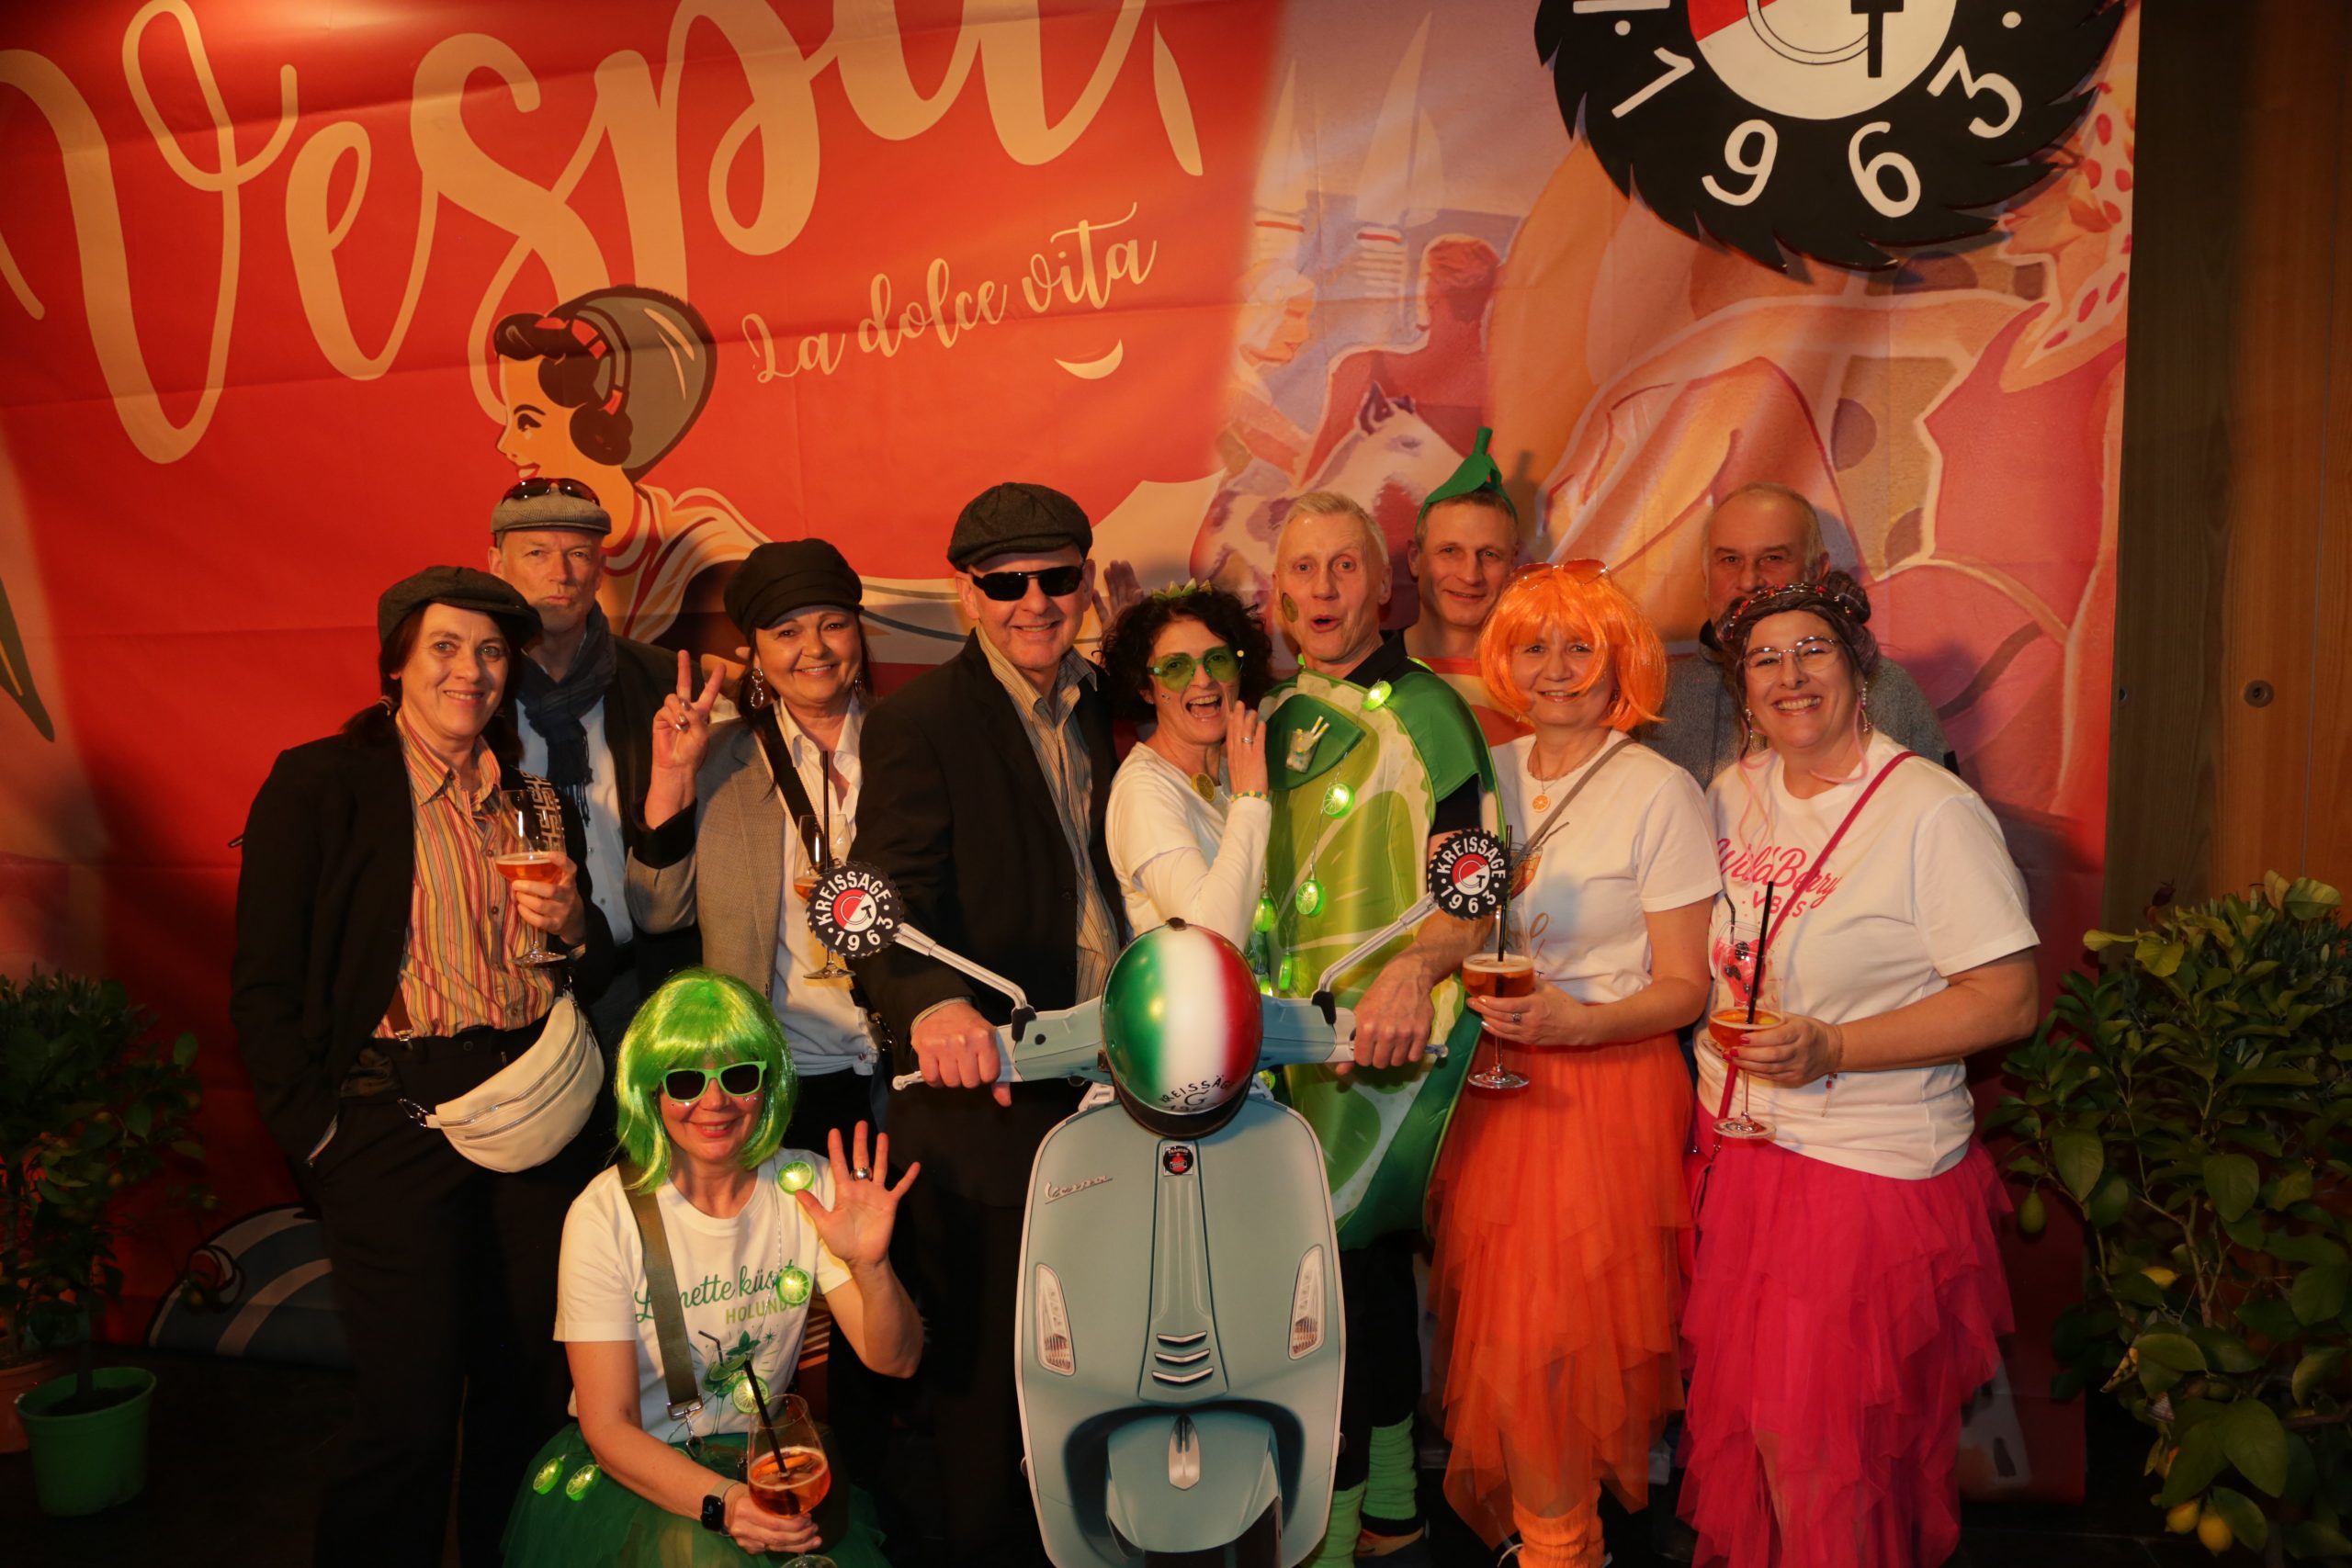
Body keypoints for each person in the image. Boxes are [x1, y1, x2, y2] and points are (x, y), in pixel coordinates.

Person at [232, 567, 617, 1568]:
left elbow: (588, 961)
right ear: (396, 663)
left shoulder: (531, 799)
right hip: (390, 1124)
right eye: (445, 647)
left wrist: (575, 922)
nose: (471, 671)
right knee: (406, 1414)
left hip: (535, 1117)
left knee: (528, 1395)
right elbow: (264, 984)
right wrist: (322, 1137)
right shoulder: (323, 783)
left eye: (490, 652)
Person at [1681, 572, 2038, 1568]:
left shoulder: (1929, 809)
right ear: (1742, 691)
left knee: (1818, 1451)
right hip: (1741, 1156)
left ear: (1859, 669)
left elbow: (2008, 999)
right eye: (1764, 659)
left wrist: (1833, 1046)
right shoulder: (1729, 793)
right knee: (1761, 1434)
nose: (1790, 675)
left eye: (1814, 650)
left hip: (1863, 1172)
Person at [845, 481, 1129, 1568]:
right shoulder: (918, 723)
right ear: (966, 595)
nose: (1034, 602)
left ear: (1086, 583)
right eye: (1006, 584)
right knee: (988, 1402)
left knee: (1112, 1367)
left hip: (1126, 1095)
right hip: (990, 1109)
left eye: (1056, 577)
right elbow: (880, 906)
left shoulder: (1115, 702)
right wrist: (933, 1004)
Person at [1426, 562, 1714, 1568]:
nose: (1555, 669)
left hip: (1604, 1092)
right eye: (1534, 646)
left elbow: (1685, 988)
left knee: (1557, 1344)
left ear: (1619, 661)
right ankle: (1553, 1538)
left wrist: (1576, 1027)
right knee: (1506, 1342)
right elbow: (1449, 923)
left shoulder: (1659, 790)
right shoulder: (1483, 776)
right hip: (1493, 1088)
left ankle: (1562, 1547)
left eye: (1580, 647)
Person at [1259, 491, 1495, 1565]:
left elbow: (1473, 890)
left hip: (1393, 1041)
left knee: (1342, 1270)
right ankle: (1393, 1506)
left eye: (1343, 567)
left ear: (1383, 585)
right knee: (1349, 1277)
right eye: (1302, 569)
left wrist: (1413, 972)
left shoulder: (1429, 710)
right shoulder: (1267, 716)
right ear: (1277, 594)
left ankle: (1341, 1523)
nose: (1322, 589)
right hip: (1284, 1049)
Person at [503, 969, 920, 1568]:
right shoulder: (605, 1214)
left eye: (739, 1076)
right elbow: (608, 1425)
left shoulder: (806, 1186)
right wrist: (724, 1504)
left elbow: (896, 1360)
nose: (715, 1101)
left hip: (767, 1462)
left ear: (768, 1084)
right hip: (644, 1471)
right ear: (651, 1092)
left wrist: (871, 1266)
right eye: (685, 1081)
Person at [628, 538, 884, 1152]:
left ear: (859, 634)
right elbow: (657, 910)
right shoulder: (720, 758)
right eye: (787, 632)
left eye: (833, 625)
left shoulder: (912, 746)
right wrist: (672, 777)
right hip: (776, 1080)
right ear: (756, 655)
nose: (815, 648)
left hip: (913, 1069)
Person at [490, 476, 702, 1044]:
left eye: (579, 554)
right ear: (497, 565)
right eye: (536, 553)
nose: (560, 573)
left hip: (647, 980)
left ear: (601, 568)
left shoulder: (664, 681)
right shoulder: (472, 693)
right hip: (514, 988)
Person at [492, 288, 761, 653]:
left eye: (527, 421)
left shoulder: (710, 557)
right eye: (537, 554)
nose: (505, 444)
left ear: (599, 428)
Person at [1645, 482, 1951, 784]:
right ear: (1706, 574)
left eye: (1773, 558)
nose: (1749, 581)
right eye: (1730, 560)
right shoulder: (1657, 701)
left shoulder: (1889, 690)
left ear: (1817, 570)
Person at [1100, 582, 1275, 944]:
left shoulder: (1233, 766)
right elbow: (1212, 935)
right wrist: (1250, 800)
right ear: (1146, 689)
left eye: (1218, 659)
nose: (1204, 679)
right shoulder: (1143, 790)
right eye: (1176, 667)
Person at [1403, 426, 1530, 747]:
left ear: (1512, 564)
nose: (1470, 575)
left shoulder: (1543, 682)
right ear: (1415, 558)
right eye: (1450, 551)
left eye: (1489, 555)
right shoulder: (1366, 671)